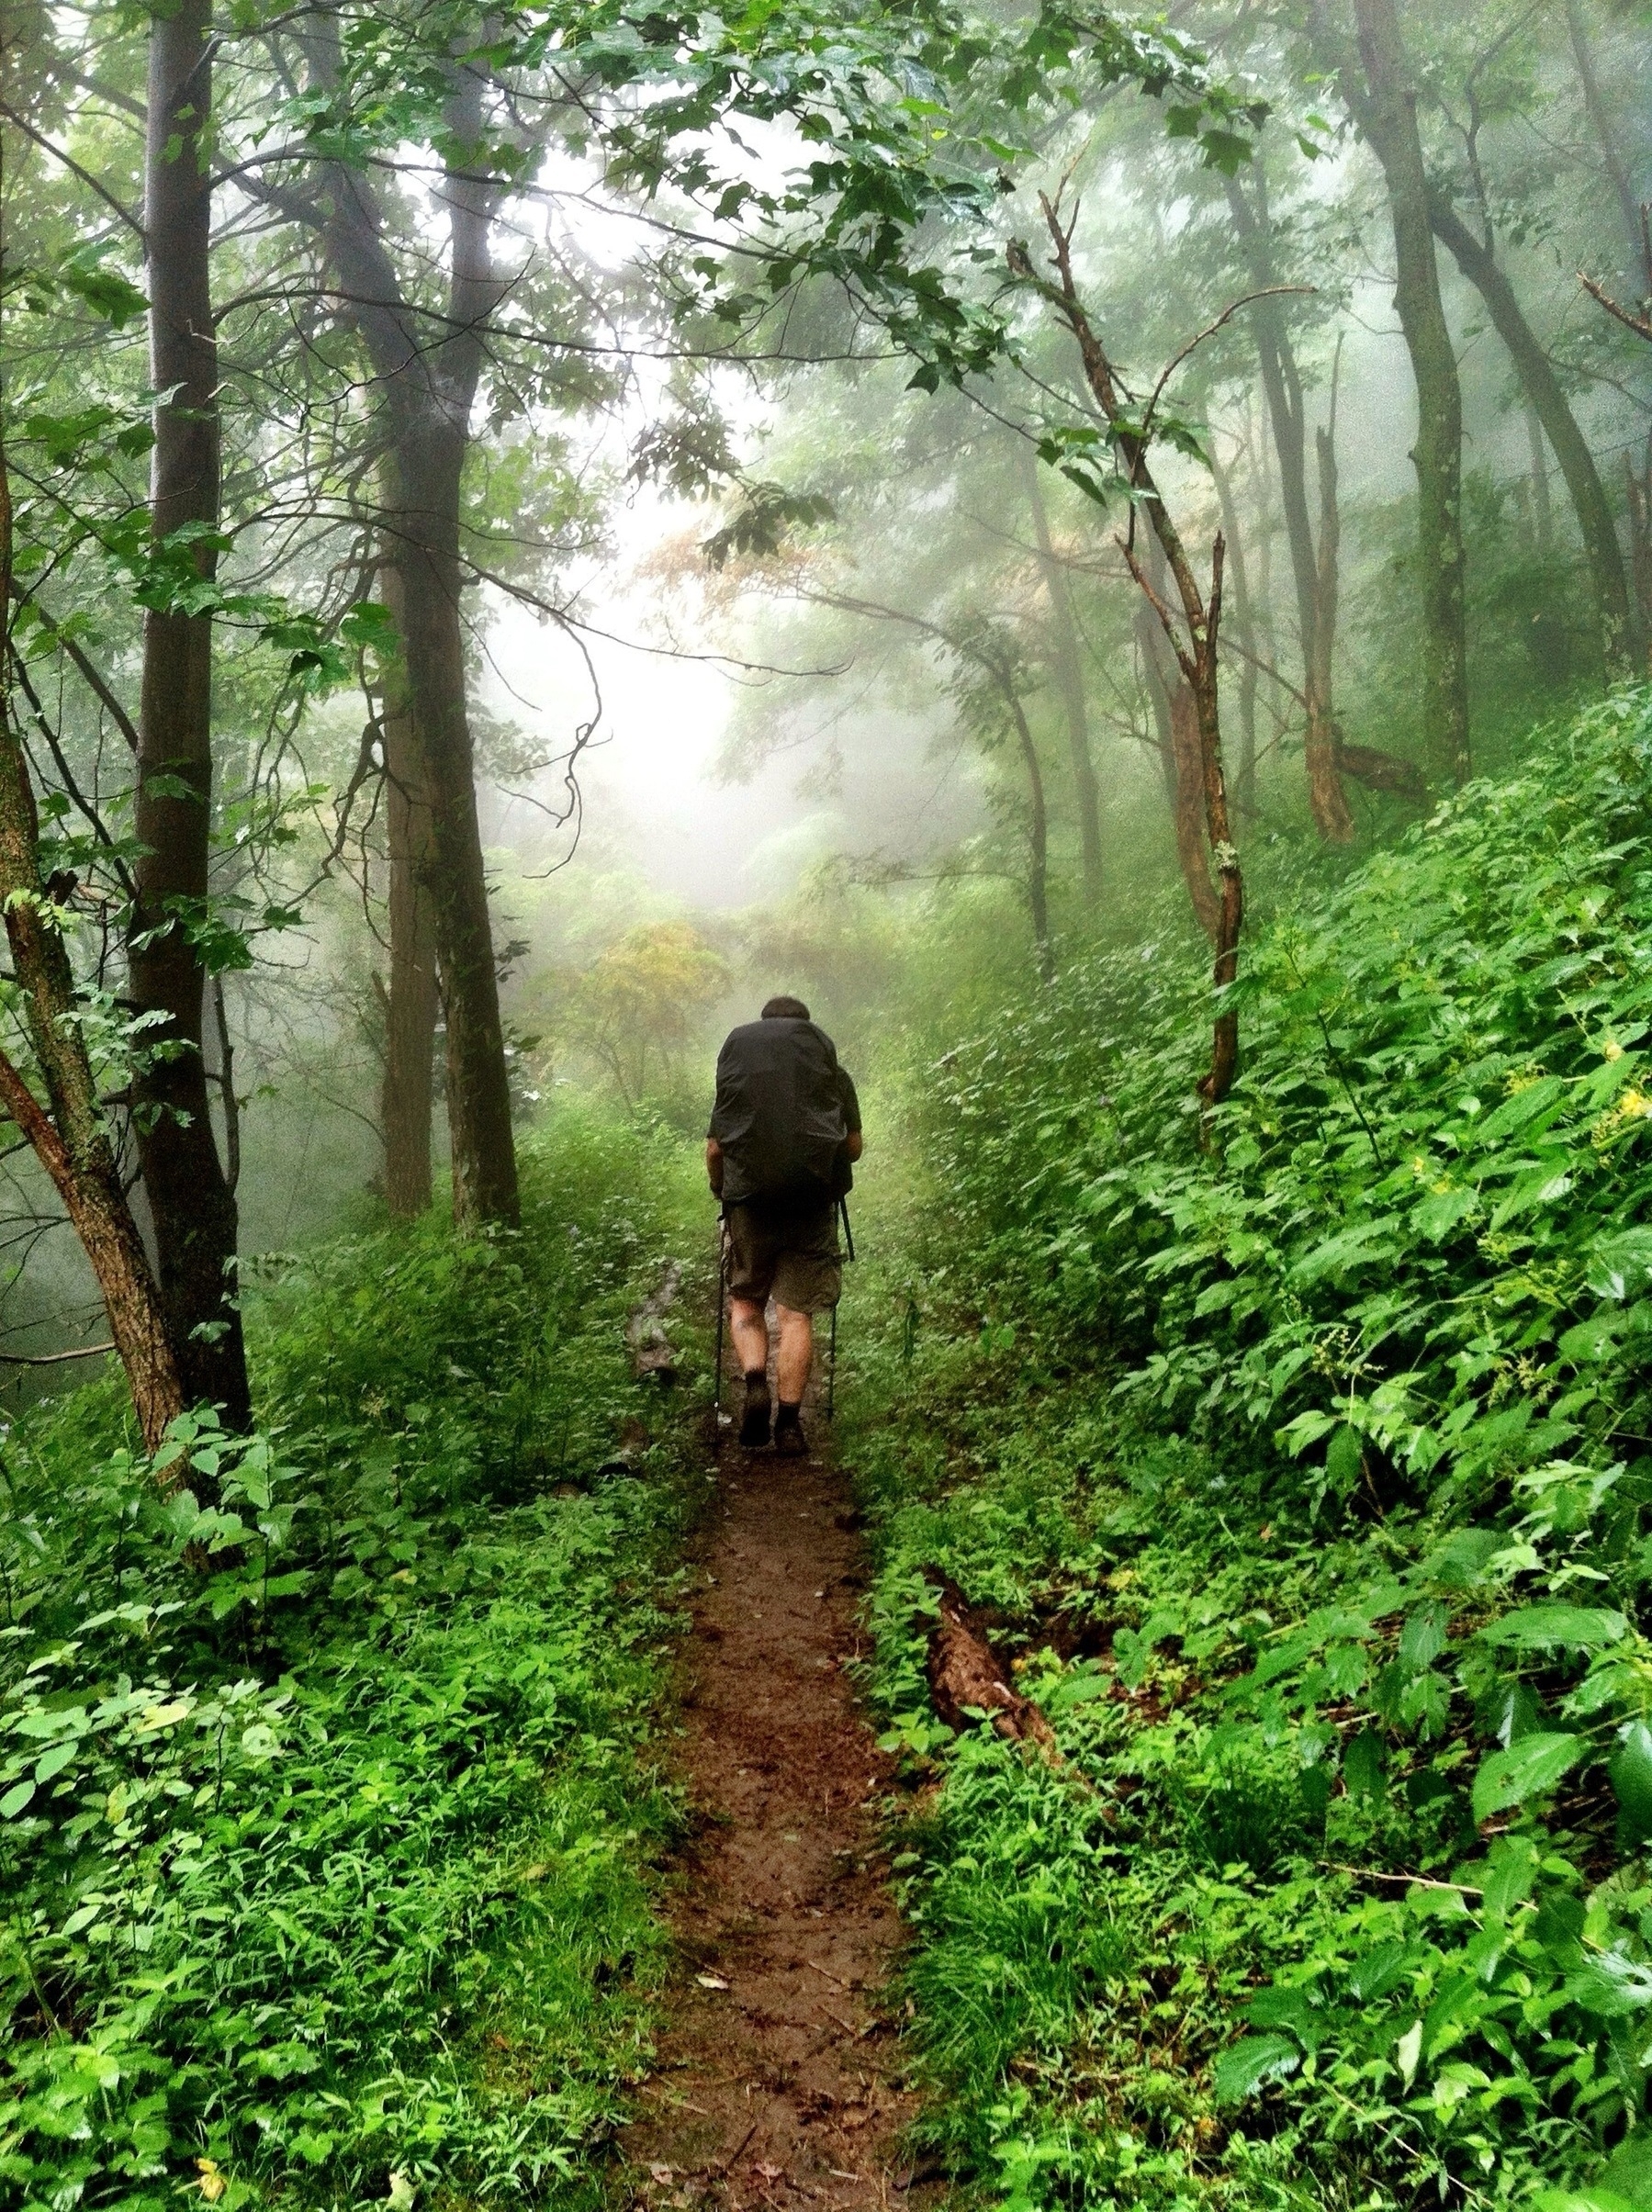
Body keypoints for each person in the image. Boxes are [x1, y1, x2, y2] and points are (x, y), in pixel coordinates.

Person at [705, 994, 862, 1454]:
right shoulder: (832, 1076)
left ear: (763, 1025)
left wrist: (722, 1190)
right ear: (807, 1032)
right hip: (811, 1205)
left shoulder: (740, 1075)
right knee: (796, 1314)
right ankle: (790, 1424)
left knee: (747, 1303)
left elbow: (716, 1149)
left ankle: (755, 1383)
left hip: (749, 1203)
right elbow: (852, 1146)